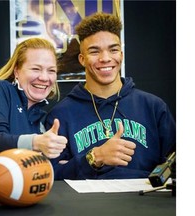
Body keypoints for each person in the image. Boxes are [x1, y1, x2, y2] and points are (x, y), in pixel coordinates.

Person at [45, 12, 176, 180]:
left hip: (146, 202)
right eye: (94, 51)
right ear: (82, 59)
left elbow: (174, 167)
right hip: (85, 205)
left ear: (121, 54)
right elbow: (51, 174)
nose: (105, 58)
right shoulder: (61, 115)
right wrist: (94, 157)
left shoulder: (153, 107)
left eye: (113, 50)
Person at [0, 37, 67, 163]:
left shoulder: (41, 120)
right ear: (16, 71)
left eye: (51, 70)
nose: (44, 77)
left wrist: (94, 158)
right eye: (36, 69)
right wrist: (35, 142)